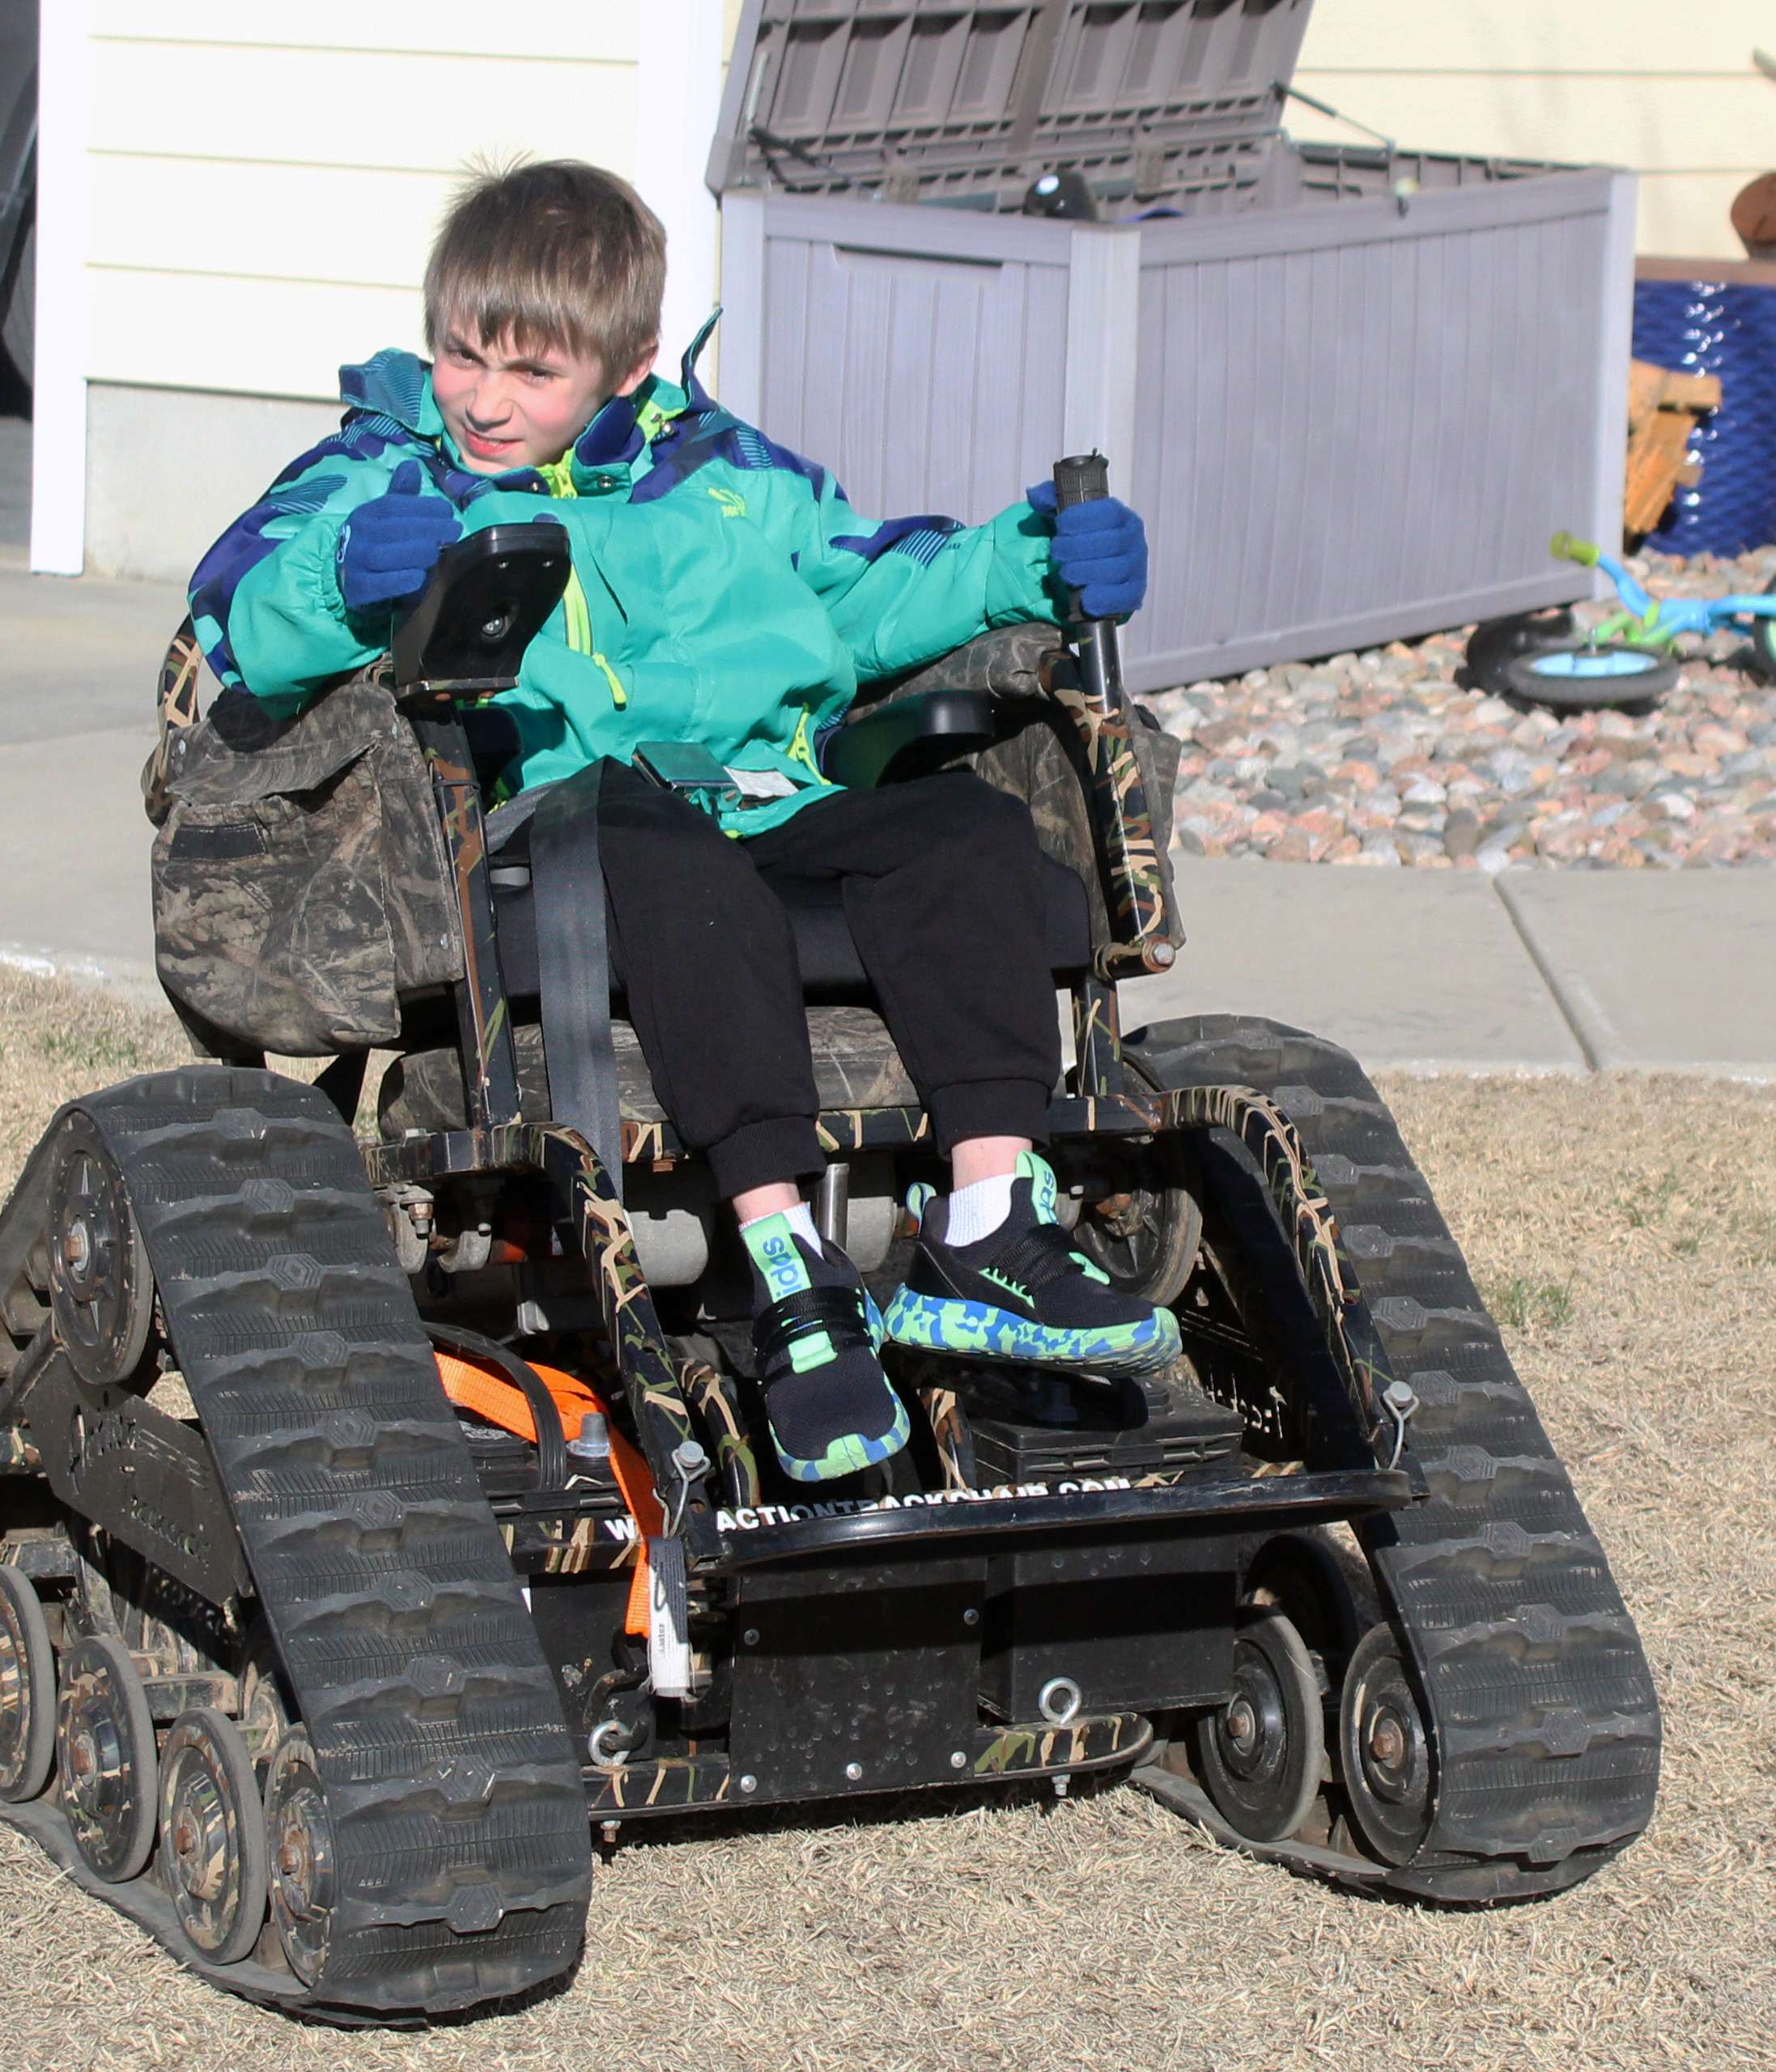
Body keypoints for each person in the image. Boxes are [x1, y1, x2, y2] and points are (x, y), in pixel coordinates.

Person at [189, 158, 1178, 1485]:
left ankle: (993, 1208)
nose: (483, 399)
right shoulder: (388, 472)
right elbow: (235, 611)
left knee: (961, 836)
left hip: (751, 797)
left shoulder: (725, 477)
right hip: (543, 827)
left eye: (530, 372)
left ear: (629, 361)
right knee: (665, 852)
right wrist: (339, 579)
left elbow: (867, 586)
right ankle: (788, 1267)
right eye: (460, 355)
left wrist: (1023, 559)